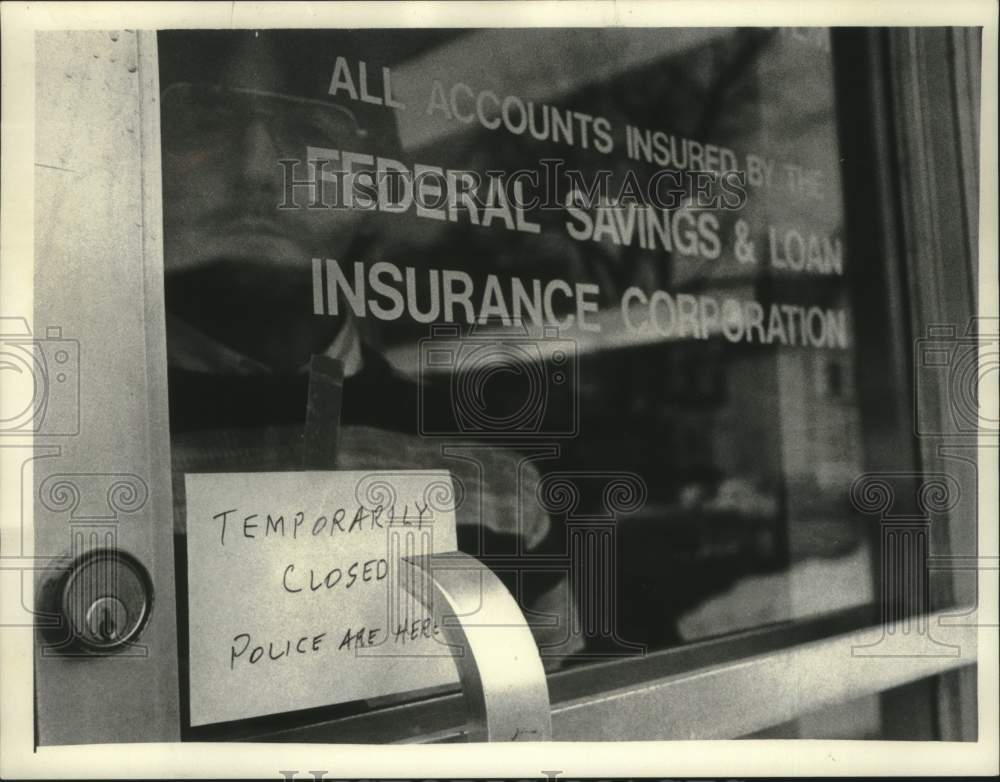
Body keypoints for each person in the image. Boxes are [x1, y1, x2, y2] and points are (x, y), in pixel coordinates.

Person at [158, 30, 583, 694]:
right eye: (204, 118)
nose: (258, 167)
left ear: (373, 187)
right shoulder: (57, 455)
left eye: (309, 130)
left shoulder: (492, 473)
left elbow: (542, 721)